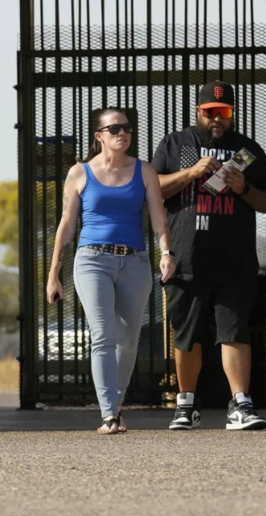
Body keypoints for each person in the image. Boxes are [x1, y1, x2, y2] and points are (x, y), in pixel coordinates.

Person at [153, 80, 266, 431]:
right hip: (187, 258)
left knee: (235, 332)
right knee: (187, 334)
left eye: (223, 113)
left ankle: (240, 405)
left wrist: (244, 188)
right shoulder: (175, 144)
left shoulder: (247, 149)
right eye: (210, 113)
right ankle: (186, 406)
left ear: (232, 114)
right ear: (198, 111)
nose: (216, 120)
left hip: (234, 260)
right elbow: (152, 188)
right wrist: (191, 173)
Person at [47, 108, 176, 434]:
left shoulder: (144, 170)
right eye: (114, 128)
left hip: (134, 261)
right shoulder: (79, 173)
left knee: (129, 341)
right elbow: (66, 225)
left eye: (127, 128)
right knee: (104, 336)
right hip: (92, 261)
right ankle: (108, 414)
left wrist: (166, 252)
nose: (122, 133)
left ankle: (115, 407)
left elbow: (159, 216)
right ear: (99, 136)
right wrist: (53, 274)